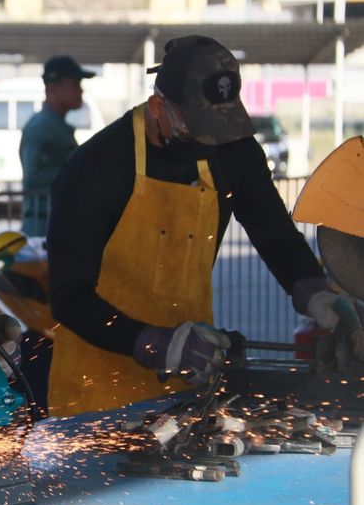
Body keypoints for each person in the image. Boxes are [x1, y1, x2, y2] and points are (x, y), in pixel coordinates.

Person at [46, 35, 349, 416]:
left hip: (190, 376)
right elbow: (68, 296)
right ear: (159, 107)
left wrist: (314, 289)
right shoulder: (96, 167)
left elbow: (272, 228)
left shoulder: (231, 146)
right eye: (198, 127)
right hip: (97, 390)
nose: (212, 143)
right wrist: (156, 343)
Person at [19, 55, 95, 237]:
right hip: (43, 231)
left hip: (55, 225)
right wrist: (79, 169)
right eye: (75, 84)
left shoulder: (54, 127)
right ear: (53, 88)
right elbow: (34, 178)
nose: (80, 91)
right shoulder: (41, 128)